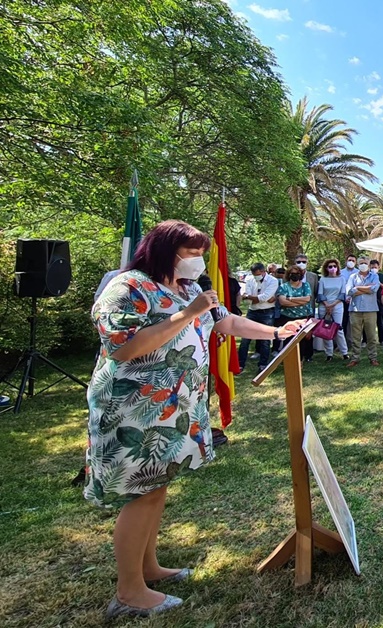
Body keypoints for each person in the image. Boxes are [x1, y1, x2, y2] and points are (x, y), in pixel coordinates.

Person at [86, 220, 300, 620]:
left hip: (174, 407)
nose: (199, 261)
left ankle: (148, 568)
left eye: (202, 253)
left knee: (157, 488)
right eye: (192, 253)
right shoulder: (127, 287)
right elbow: (123, 348)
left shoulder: (188, 290)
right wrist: (187, 314)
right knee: (142, 494)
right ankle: (129, 591)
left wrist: (276, 331)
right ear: (165, 251)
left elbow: (228, 322)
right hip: (134, 410)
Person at [237, 262, 279, 374]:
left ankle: (263, 365)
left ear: (263, 271)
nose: (256, 276)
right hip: (253, 311)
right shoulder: (250, 280)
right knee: (245, 339)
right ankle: (240, 364)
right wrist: (254, 298)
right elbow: (247, 295)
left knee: (265, 339)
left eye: (258, 274)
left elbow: (264, 297)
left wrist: (250, 297)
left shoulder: (273, 281)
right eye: (254, 274)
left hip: (267, 312)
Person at [345, 255, 381, 367]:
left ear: (369, 265)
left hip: (370, 310)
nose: (363, 265)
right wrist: (367, 288)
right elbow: (349, 291)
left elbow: (374, 289)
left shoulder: (374, 276)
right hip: (355, 309)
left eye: (365, 263)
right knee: (355, 336)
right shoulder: (352, 277)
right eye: (361, 263)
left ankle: (373, 358)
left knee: (371, 336)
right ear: (358, 264)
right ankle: (355, 358)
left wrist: (358, 288)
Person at [275, 266, 314, 362]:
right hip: (287, 317)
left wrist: (290, 299)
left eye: (297, 273)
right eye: (292, 273)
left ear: (301, 275)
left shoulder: (305, 285)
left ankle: (299, 361)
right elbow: (282, 302)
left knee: (302, 341)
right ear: (289, 275)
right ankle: (288, 361)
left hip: (303, 317)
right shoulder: (284, 286)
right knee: (288, 340)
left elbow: (307, 299)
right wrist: (300, 301)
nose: (295, 275)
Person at [315, 259, 350, 362]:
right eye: (330, 266)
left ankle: (344, 352)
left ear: (337, 267)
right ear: (326, 268)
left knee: (338, 329)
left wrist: (332, 305)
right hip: (324, 306)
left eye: (334, 266)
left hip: (338, 306)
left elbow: (342, 294)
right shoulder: (322, 279)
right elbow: (320, 294)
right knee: (326, 329)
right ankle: (329, 353)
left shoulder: (341, 279)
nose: (332, 268)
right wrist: (327, 305)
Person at [369, 258, 383, 344]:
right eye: (372, 267)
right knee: (368, 322)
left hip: (380, 301)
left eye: (375, 267)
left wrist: (379, 284)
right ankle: (365, 340)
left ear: (378, 267)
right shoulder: (367, 276)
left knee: (380, 322)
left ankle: (381, 340)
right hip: (369, 302)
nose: (373, 269)